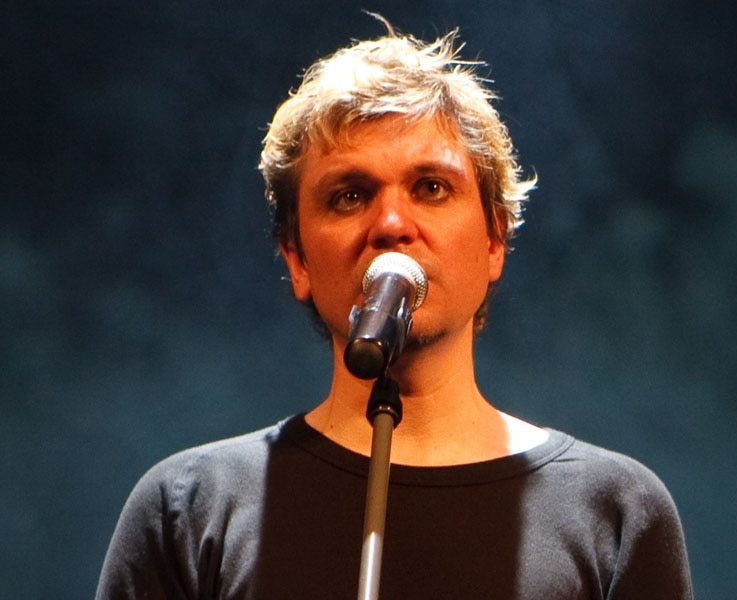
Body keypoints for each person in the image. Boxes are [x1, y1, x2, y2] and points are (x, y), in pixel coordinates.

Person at [96, 21, 693, 600]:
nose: (390, 223)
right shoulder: (189, 509)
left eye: (431, 187)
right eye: (349, 196)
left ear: (494, 241)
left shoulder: (613, 511)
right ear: (297, 259)